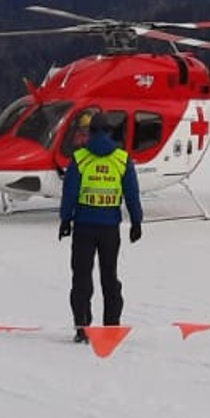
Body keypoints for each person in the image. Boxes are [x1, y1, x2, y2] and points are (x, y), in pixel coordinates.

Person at [57, 113, 142, 342]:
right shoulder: (122, 159)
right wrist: (136, 221)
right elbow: (132, 194)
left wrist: (65, 220)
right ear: (110, 131)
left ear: (91, 131)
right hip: (109, 229)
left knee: (82, 278)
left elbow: (70, 193)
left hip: (84, 227)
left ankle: (82, 327)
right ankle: (112, 327)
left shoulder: (80, 158)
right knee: (110, 277)